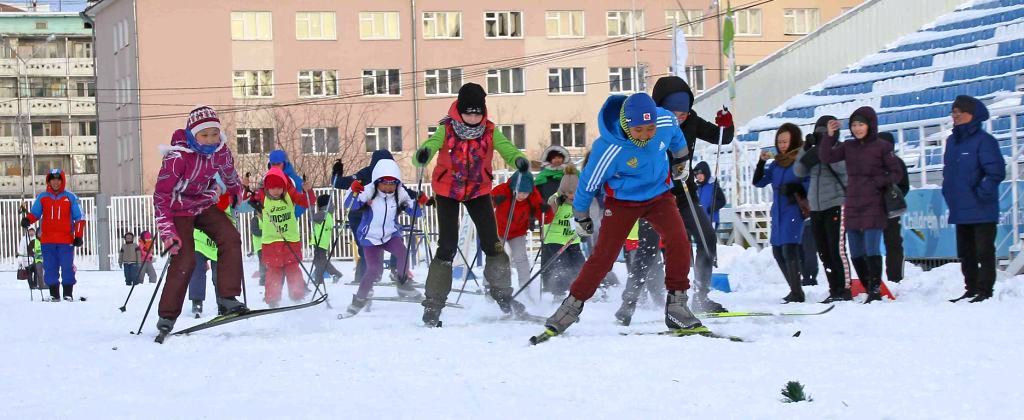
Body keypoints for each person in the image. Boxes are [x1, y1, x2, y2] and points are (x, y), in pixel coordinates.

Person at [540, 92, 698, 338]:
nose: (645, 136)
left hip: (659, 195)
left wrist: (681, 161)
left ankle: (677, 305)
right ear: (626, 125)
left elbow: (676, 138)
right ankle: (571, 306)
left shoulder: (665, 121)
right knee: (604, 256)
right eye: (638, 131)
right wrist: (581, 215)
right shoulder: (609, 147)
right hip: (623, 202)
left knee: (679, 242)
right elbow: (588, 185)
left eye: (650, 129)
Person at [413, 82, 532, 326]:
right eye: (469, 112)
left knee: (493, 244)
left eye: (478, 112)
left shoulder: (489, 131)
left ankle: (503, 296)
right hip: (447, 190)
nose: (474, 117)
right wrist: (423, 154)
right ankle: (433, 306)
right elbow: (432, 144)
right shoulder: (446, 128)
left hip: (478, 190)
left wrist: (518, 159)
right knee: (447, 246)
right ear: (459, 109)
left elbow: (507, 148)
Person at [152, 105, 248, 334]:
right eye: (204, 135)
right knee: (185, 258)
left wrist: (235, 191)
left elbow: (229, 174)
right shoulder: (177, 157)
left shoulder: (220, 151)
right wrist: (168, 233)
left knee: (230, 237)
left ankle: (227, 298)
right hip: (177, 208)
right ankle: (167, 315)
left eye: (214, 134)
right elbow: (161, 197)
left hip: (203, 203)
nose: (210, 140)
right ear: (192, 135)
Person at [651, 75, 734, 313]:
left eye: (683, 114)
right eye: (673, 114)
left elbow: (722, 138)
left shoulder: (693, 122)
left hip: (686, 195)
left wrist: (725, 124)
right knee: (655, 249)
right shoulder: (649, 126)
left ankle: (701, 295)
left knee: (707, 239)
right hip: (655, 198)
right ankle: (640, 298)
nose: (678, 119)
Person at [819, 106, 904, 304]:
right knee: (856, 251)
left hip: (874, 203)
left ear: (870, 125)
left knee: (872, 248)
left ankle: (875, 289)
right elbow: (826, 157)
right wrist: (829, 137)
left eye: (861, 124)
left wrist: (877, 182)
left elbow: (896, 173)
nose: (857, 129)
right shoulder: (849, 146)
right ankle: (868, 286)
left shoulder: (882, 147)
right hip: (852, 203)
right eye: (854, 125)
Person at [343, 159, 427, 317]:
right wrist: (354, 192)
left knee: (402, 252)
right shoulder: (368, 190)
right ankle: (360, 298)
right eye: (385, 183)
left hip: (390, 235)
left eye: (392, 183)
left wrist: (419, 204)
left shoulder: (400, 193)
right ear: (377, 181)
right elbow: (350, 205)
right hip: (370, 238)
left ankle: (403, 283)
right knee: (374, 270)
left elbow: (416, 213)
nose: (388, 187)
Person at [943, 96, 1006, 303]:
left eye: (961, 111)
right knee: (966, 252)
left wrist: (982, 193)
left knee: (984, 251)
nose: (956, 115)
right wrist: (948, 192)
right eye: (954, 111)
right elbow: (948, 173)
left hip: (982, 208)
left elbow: (995, 172)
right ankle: (970, 288)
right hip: (961, 208)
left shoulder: (985, 140)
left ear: (974, 114)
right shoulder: (951, 141)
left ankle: (985, 290)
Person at [331, 150, 417, 286]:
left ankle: (371, 275)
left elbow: (338, 182)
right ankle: (373, 275)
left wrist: (336, 174)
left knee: (387, 241)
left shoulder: (381, 174)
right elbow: (342, 184)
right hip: (361, 215)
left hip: (378, 215)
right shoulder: (364, 174)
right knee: (384, 242)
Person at [794, 115, 851, 302]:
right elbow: (799, 171)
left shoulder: (840, 149)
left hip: (836, 203)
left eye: (825, 133)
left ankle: (845, 289)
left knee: (837, 249)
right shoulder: (813, 151)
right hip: (816, 207)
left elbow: (841, 168)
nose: (822, 136)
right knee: (824, 251)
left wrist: (826, 146)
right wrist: (805, 149)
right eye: (819, 133)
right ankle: (833, 289)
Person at [754, 123, 810, 303]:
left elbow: (808, 183)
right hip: (778, 212)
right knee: (778, 251)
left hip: (793, 210)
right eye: (779, 142)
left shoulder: (801, 159)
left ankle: (797, 291)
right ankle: (794, 288)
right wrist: (761, 162)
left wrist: (796, 189)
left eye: (785, 141)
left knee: (789, 249)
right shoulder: (777, 164)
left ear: (793, 140)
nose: (782, 145)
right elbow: (759, 182)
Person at [250, 167, 315, 308]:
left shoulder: (289, 194)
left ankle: (297, 295)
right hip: (271, 242)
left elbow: (306, 202)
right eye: (272, 188)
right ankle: (272, 299)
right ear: (267, 188)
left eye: (279, 187)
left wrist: (308, 191)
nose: (276, 191)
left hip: (290, 240)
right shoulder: (262, 196)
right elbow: (246, 199)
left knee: (293, 269)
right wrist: (248, 194)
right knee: (274, 271)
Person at [21, 168, 85, 301]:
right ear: (48, 181)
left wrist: (78, 236)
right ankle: (54, 294)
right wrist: (28, 219)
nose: (55, 182)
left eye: (58, 179)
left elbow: (80, 217)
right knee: (50, 267)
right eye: (52, 180)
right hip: (47, 241)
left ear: (62, 181)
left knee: (67, 266)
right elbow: (35, 214)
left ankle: (68, 293)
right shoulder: (42, 197)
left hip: (66, 240)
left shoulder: (71, 197)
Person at [493, 171, 552, 293]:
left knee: (521, 258)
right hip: (498, 230)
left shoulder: (534, 196)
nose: (522, 196)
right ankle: (492, 286)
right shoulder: (502, 189)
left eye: (525, 193)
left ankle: (525, 288)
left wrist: (546, 211)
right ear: (513, 187)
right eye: (519, 192)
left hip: (518, 232)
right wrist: (493, 200)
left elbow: (545, 220)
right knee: (497, 257)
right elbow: (485, 206)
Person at [540, 165, 586, 302]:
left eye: (575, 192)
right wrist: (556, 204)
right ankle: (558, 293)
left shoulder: (580, 200)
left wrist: (584, 231)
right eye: (568, 193)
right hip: (555, 238)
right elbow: (547, 214)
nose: (571, 196)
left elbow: (584, 217)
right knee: (562, 265)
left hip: (572, 238)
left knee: (580, 264)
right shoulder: (555, 199)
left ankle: (580, 292)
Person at [187, 194, 233, 316]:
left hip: (218, 245)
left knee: (220, 276)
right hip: (199, 242)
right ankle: (197, 302)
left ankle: (222, 303)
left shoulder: (226, 200)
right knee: (197, 272)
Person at [614, 220, 667, 326]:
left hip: (651, 233)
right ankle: (640, 303)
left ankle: (659, 303)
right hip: (634, 235)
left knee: (655, 270)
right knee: (638, 268)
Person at [877, 132, 910, 283]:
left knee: (893, 244)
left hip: (891, 210)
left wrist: (892, 197)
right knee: (871, 246)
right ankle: (872, 279)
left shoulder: (897, 163)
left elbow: (904, 186)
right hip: (871, 210)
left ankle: (895, 279)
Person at [310, 194, 345, 285]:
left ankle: (334, 273)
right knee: (319, 261)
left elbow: (313, 218)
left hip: (319, 241)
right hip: (322, 241)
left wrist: (312, 208)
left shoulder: (323, 214)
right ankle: (319, 278)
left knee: (320, 261)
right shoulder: (328, 214)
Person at [266, 149, 307, 218]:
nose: (276, 167)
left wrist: (292, 215)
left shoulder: (294, 180)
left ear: (284, 163)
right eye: (273, 164)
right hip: (270, 221)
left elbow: (303, 201)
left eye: (278, 164)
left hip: (287, 221)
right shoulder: (267, 178)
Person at [692, 161, 726, 229]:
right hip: (699, 221)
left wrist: (712, 207)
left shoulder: (713, 186)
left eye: (701, 175)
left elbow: (722, 201)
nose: (699, 177)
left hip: (711, 219)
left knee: (708, 239)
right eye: (697, 175)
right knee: (699, 239)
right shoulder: (697, 187)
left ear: (705, 173)